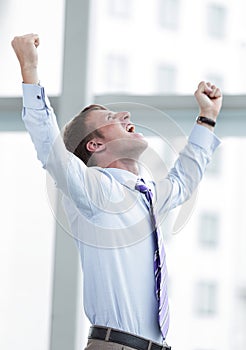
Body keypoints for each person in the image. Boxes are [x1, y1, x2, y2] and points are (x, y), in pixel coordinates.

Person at [11, 33, 222, 350]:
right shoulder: (93, 191)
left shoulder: (147, 195)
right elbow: (50, 148)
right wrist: (30, 67)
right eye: (112, 117)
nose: (126, 116)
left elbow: (183, 182)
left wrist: (207, 118)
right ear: (95, 145)